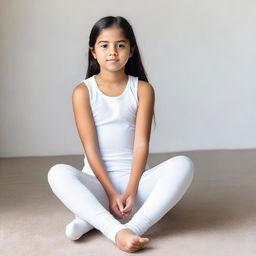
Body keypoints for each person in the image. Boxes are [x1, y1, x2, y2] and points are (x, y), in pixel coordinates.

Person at [47, 15, 194, 253]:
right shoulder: (83, 92)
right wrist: (110, 192)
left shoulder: (143, 89)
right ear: (93, 52)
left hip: (136, 188)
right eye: (104, 45)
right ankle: (111, 228)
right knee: (57, 173)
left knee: (184, 164)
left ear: (131, 50)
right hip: (97, 183)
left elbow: (141, 145)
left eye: (120, 45)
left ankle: (128, 227)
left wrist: (131, 191)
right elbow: (90, 148)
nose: (112, 51)